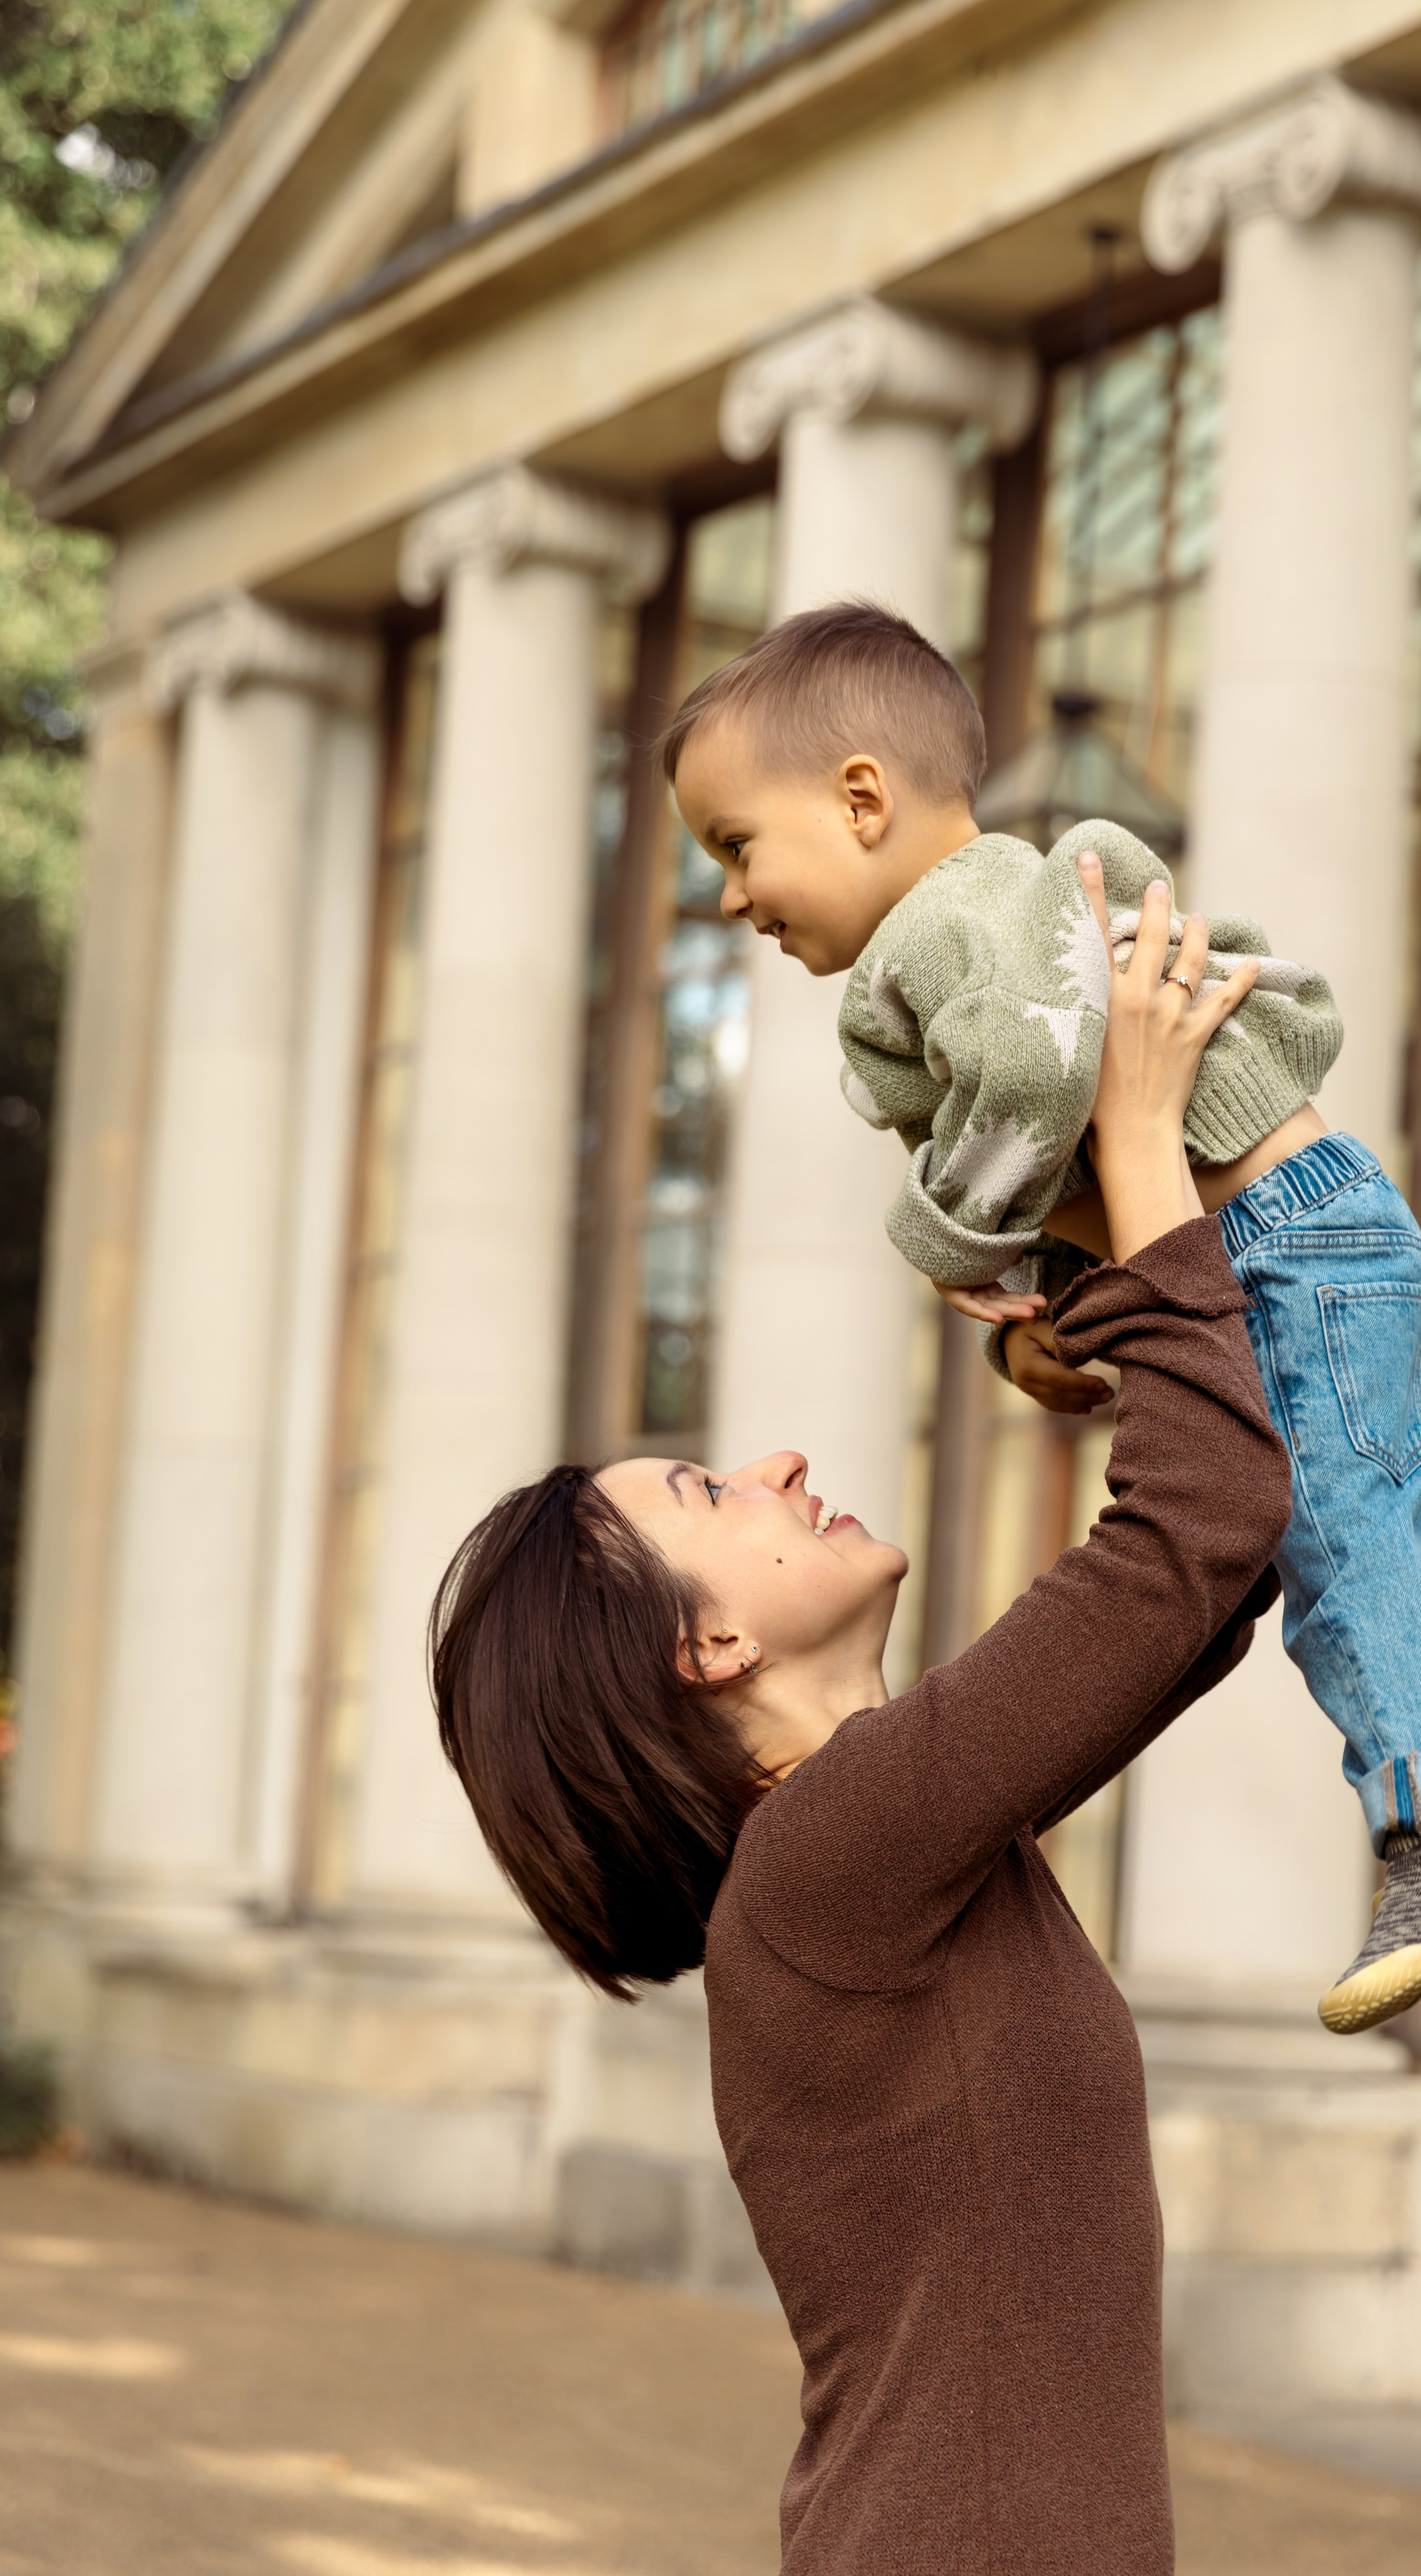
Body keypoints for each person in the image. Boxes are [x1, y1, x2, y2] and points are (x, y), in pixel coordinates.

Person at [432, 885, 1287, 2576]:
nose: (776, 1464)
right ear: (708, 1641)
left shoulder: (874, 1861)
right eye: (706, 1489)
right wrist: (1125, 1141)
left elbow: (1216, 1565)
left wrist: (1105, 1272)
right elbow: (1196, 1533)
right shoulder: (834, 1860)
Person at [664, 599, 1421, 2037]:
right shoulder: (1009, 900)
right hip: (1321, 1215)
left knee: (1333, 1522)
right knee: (1415, 1495)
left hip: (1278, 1243)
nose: (727, 897)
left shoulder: (945, 925)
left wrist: (945, 1238)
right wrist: (1058, 1309)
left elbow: (1043, 1073)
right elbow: (1096, 1123)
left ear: (858, 800)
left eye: (732, 844)